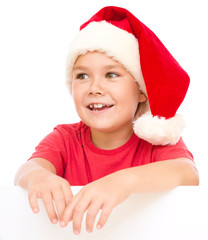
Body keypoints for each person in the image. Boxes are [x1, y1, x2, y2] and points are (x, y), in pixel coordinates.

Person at [14, 6, 199, 235]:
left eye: (111, 74)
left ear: (141, 90)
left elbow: (188, 173)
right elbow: (27, 170)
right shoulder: (65, 139)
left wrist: (123, 182)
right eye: (82, 75)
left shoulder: (155, 141)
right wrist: (38, 177)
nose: (94, 88)